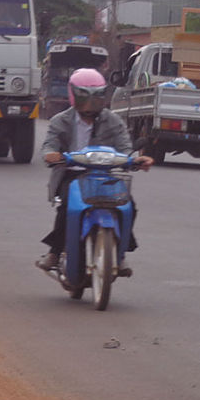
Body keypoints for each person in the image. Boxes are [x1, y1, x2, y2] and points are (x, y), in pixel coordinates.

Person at [37, 68, 153, 274]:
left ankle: (120, 254)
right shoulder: (60, 121)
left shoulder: (113, 120)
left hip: (106, 174)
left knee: (129, 207)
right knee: (66, 208)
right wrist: (52, 155)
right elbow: (49, 145)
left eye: (97, 95)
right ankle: (55, 252)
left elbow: (125, 148)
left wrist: (135, 160)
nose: (91, 101)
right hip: (71, 174)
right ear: (73, 94)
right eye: (85, 95)